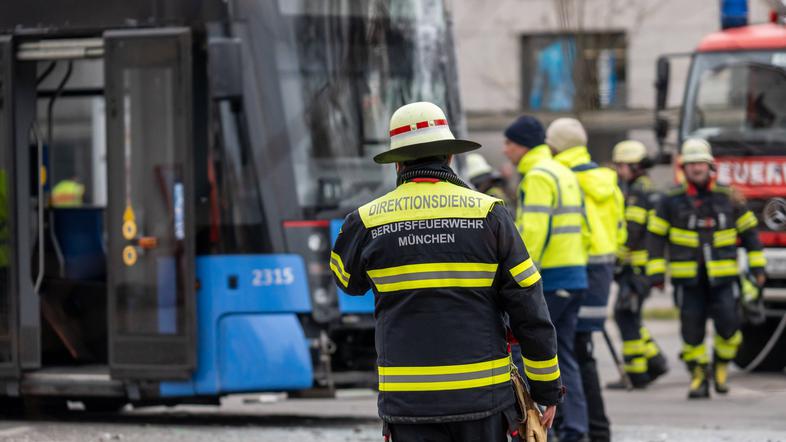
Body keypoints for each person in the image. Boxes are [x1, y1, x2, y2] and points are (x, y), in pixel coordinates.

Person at [331, 102, 562, 441]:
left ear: (397, 161)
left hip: (407, 402)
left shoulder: (366, 220)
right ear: (450, 156)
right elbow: (529, 307)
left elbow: (347, 282)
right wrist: (546, 390)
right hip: (484, 398)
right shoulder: (490, 214)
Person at [646, 138, 767, 399]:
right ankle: (699, 375)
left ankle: (721, 367)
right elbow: (655, 237)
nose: (696, 168)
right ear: (683, 168)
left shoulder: (730, 197)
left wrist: (758, 269)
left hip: (723, 279)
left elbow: (751, 235)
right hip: (687, 280)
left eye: (700, 163)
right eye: (690, 164)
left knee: (729, 326)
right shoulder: (670, 200)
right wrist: (656, 272)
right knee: (691, 331)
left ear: (710, 166)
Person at [503, 115, 589, 442]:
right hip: (575, 274)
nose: (505, 149)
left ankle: (543, 430)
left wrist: (517, 281)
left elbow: (533, 235)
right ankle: (575, 430)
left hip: (551, 278)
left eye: (509, 143)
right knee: (565, 356)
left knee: (535, 356)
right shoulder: (562, 171)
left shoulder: (537, 177)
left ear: (522, 146)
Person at [548, 118, 622, 442]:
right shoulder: (607, 179)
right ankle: (598, 428)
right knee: (583, 350)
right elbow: (618, 229)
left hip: (575, 271)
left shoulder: (560, 176)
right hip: (602, 274)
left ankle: (577, 427)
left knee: (566, 352)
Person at [607, 140, 669, 389]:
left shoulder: (636, 193)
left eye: (621, 166)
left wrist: (617, 259)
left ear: (634, 166)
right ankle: (655, 360)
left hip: (635, 268)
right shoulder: (648, 188)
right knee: (630, 316)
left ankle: (637, 374)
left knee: (626, 316)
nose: (618, 171)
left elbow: (632, 231)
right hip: (643, 268)